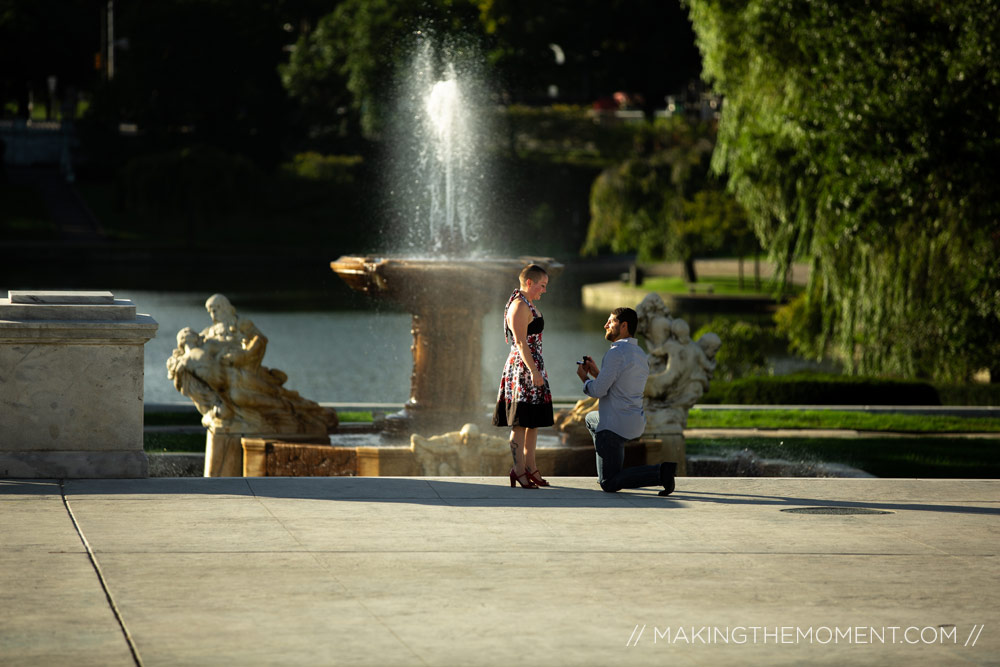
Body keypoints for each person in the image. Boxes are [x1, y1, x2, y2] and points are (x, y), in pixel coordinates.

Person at [576, 307, 677, 496]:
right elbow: (618, 386)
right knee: (591, 418)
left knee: (610, 483)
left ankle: (660, 472)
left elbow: (598, 391)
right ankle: (605, 469)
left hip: (615, 425)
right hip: (635, 422)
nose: (605, 325)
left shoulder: (616, 353)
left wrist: (585, 378)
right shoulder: (640, 354)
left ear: (624, 326)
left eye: (610, 321)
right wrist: (597, 373)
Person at [493, 264, 554, 489]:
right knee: (520, 424)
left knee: (533, 422)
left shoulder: (527, 303)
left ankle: (531, 468)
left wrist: (537, 370)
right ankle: (518, 471)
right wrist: (534, 371)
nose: (544, 290)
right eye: (542, 285)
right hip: (523, 370)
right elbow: (520, 343)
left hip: (532, 367)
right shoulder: (519, 305)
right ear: (529, 282)